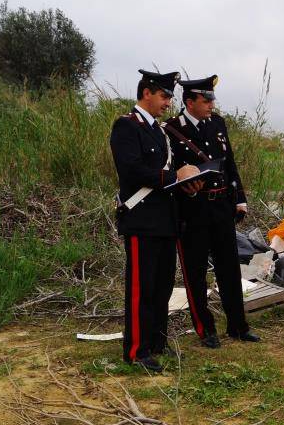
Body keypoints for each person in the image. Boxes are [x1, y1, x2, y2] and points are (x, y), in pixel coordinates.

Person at [110, 69, 202, 372]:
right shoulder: (126, 126)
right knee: (142, 288)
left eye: (170, 97)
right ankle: (136, 350)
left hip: (165, 220)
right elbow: (132, 171)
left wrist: (187, 179)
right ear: (146, 93)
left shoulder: (160, 131)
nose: (168, 102)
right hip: (142, 220)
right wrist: (173, 175)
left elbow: (168, 173)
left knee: (162, 287)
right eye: (164, 96)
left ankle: (157, 344)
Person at [164, 74, 260, 348]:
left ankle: (238, 326)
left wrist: (239, 198)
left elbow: (229, 163)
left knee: (229, 268)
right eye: (206, 100)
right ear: (189, 101)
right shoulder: (171, 129)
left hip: (221, 206)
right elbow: (169, 171)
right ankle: (205, 329)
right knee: (195, 272)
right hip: (192, 210)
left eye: (212, 99)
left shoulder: (217, 123)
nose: (211, 104)